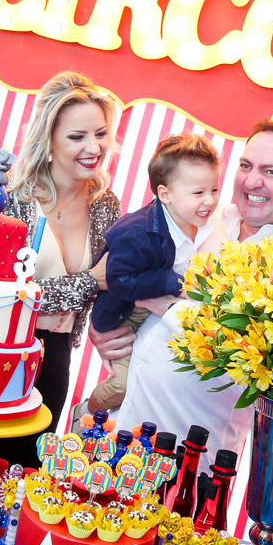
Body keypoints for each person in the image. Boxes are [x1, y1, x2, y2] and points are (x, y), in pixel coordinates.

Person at [111, 119, 273, 468]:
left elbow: (255, 356)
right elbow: (135, 255)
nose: (252, 181)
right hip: (123, 425)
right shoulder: (210, 214)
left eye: (271, 171)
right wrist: (106, 326)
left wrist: (168, 307)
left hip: (186, 455)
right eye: (246, 166)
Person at [0, 71, 120, 468]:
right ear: (49, 141)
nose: (93, 147)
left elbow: (111, 285)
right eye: (77, 136)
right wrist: (87, 283)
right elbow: (0, 297)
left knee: (23, 475)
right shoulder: (11, 198)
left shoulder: (106, 205)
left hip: (54, 360)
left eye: (100, 133)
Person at [85, 132, 220, 413]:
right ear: (165, 194)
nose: (209, 201)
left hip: (154, 317)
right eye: (198, 193)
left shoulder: (195, 222)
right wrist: (172, 282)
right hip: (122, 315)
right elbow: (117, 280)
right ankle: (85, 415)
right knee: (121, 386)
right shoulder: (139, 233)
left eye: (214, 190)